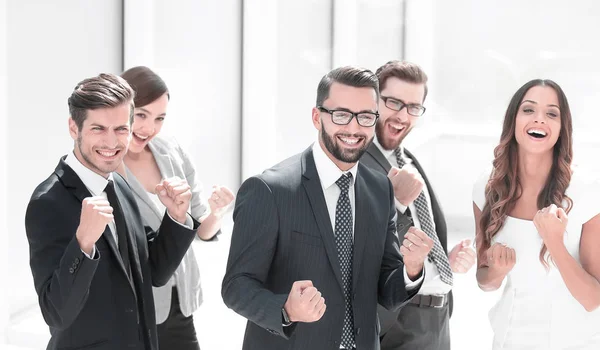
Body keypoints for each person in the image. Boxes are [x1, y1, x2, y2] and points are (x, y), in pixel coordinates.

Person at [222, 66, 433, 350]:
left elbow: (386, 291)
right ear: (316, 117)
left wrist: (412, 267)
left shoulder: (380, 189)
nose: (354, 128)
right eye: (341, 115)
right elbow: (236, 286)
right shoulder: (270, 190)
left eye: (366, 117)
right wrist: (286, 310)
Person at [24, 73, 199, 350]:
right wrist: (83, 244)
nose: (111, 142)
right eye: (98, 129)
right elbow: (56, 312)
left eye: (120, 129)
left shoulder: (118, 184)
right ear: (74, 127)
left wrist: (176, 217)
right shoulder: (48, 201)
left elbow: (151, 270)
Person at [472, 79, 600, 349]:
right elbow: (484, 281)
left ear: (562, 128)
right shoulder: (488, 188)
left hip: (572, 341)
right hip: (509, 338)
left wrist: (555, 243)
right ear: (513, 120)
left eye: (552, 113)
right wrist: (496, 271)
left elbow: (592, 299)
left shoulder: (587, 191)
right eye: (529, 110)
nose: (539, 119)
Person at [360, 60, 476, 350]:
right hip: (394, 321)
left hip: (436, 321)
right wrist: (396, 202)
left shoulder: (408, 159)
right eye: (393, 102)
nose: (402, 116)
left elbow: (413, 232)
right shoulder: (354, 161)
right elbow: (351, 241)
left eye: (413, 107)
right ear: (373, 101)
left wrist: (441, 261)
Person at [119, 66, 234, 350]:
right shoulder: (106, 164)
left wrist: (217, 210)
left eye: (159, 118)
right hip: (131, 306)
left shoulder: (172, 151)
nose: (149, 128)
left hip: (178, 303)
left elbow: (201, 230)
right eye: (141, 115)